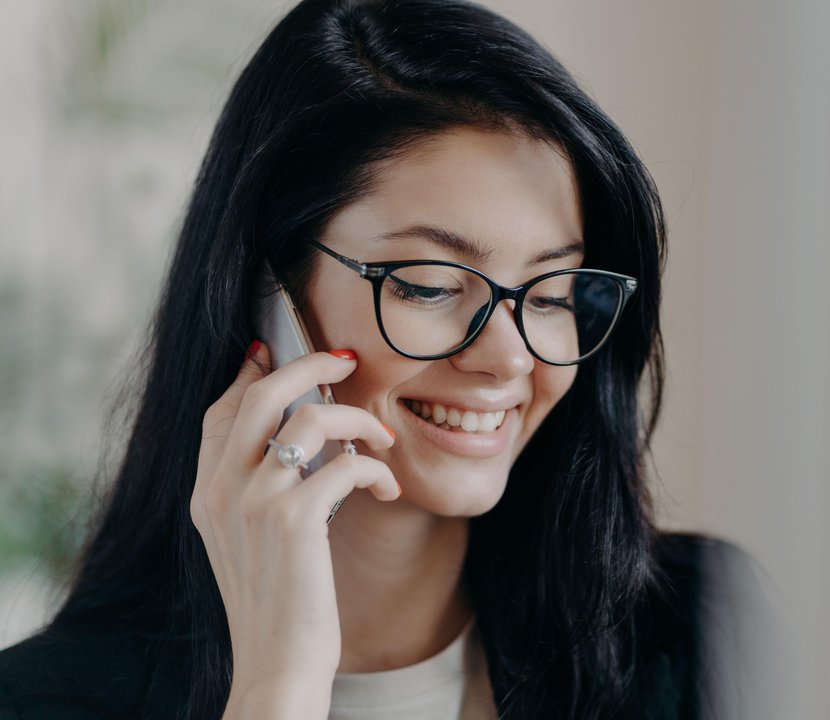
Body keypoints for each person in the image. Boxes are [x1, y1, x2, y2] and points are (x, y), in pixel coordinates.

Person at [0, 1, 777, 718]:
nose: (508, 357)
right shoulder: (41, 701)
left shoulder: (695, 632)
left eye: (551, 294)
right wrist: (278, 681)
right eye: (429, 286)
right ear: (267, 293)